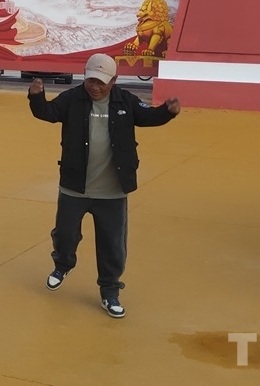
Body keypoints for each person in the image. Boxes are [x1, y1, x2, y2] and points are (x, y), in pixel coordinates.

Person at [27, 53, 180, 318]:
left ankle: (110, 292)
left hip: (112, 191)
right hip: (74, 186)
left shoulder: (125, 101)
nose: (95, 87)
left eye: (101, 82)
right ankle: (63, 265)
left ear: (114, 80)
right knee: (65, 235)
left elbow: (148, 116)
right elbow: (48, 113)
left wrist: (167, 112)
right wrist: (36, 97)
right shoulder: (73, 98)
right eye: (91, 81)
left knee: (112, 245)